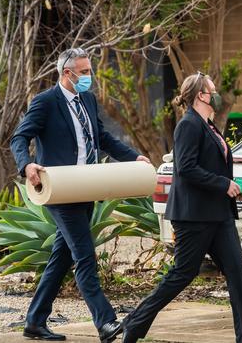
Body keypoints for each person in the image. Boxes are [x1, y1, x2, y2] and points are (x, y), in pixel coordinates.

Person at [10, 47, 150, 342]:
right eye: (84, 72)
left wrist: (133, 157)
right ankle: (106, 323)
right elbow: (20, 137)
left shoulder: (86, 98)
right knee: (85, 256)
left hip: (87, 187)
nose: (89, 77)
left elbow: (102, 138)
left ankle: (34, 321)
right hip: (60, 191)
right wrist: (26, 165)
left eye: (90, 71)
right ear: (66, 73)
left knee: (61, 257)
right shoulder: (46, 102)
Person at [120, 72, 242, 343]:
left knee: (238, 274)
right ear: (201, 95)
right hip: (194, 217)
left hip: (218, 215)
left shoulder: (207, 125)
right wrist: (223, 184)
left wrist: (227, 184)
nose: (216, 93)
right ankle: (134, 323)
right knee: (182, 274)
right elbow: (185, 168)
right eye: (212, 89)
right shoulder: (188, 125)